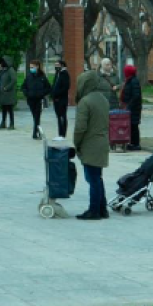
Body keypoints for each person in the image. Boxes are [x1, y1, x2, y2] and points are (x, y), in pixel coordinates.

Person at [73, 71, 110, 220]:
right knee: (98, 177)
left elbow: (80, 127)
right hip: (102, 142)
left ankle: (94, 210)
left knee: (92, 179)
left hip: (90, 144)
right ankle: (102, 209)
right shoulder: (103, 99)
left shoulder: (85, 101)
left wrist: (77, 143)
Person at [21, 60, 51, 139]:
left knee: (37, 116)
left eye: (32, 67)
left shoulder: (42, 77)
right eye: (30, 67)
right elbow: (23, 87)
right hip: (30, 100)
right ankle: (38, 131)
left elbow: (48, 88)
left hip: (39, 100)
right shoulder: (29, 76)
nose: (31, 68)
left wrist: (42, 93)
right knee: (35, 117)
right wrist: (27, 93)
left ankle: (35, 133)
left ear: (37, 67)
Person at [120, 64, 142, 151]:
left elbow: (136, 96)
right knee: (131, 126)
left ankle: (135, 144)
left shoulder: (133, 81)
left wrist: (129, 106)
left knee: (134, 126)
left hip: (134, 109)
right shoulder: (129, 80)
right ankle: (132, 143)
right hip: (130, 108)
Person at [51, 59, 71, 138]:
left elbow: (66, 87)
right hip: (55, 99)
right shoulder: (57, 73)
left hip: (62, 99)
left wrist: (57, 94)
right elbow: (54, 85)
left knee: (62, 116)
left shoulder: (65, 74)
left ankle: (63, 134)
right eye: (55, 65)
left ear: (62, 65)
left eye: (57, 65)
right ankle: (60, 133)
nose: (56, 67)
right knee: (58, 116)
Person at [0, 58, 17, 129]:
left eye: (2, 62)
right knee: (4, 108)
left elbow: (14, 80)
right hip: (3, 94)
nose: (1, 64)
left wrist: (6, 88)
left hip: (9, 94)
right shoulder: (3, 70)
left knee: (10, 109)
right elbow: (0, 79)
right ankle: (3, 123)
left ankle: (12, 124)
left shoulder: (10, 70)